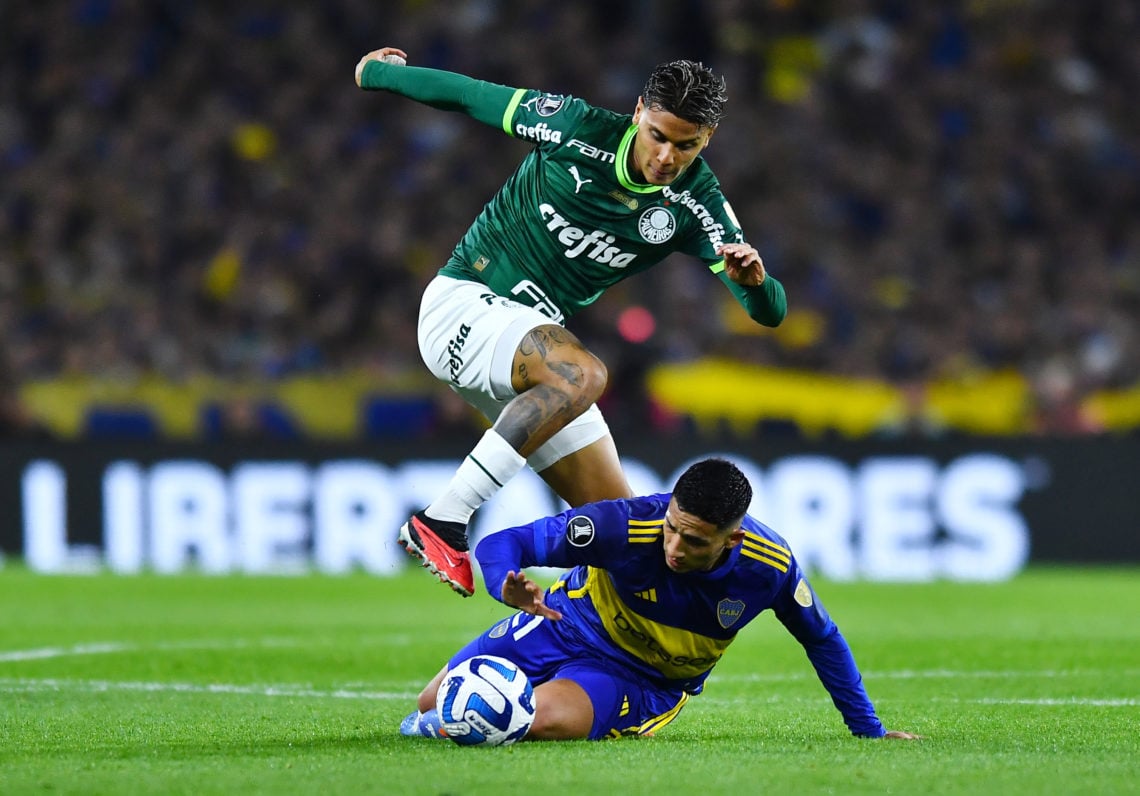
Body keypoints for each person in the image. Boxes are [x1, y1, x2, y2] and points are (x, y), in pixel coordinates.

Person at [355, 48, 787, 597]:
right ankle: (442, 520)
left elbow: (768, 313)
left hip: (523, 356)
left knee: (627, 538)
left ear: (708, 139)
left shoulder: (697, 204)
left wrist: (754, 286)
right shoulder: (573, 126)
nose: (666, 156)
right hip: (464, 305)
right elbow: (468, 95)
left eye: (686, 145)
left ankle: (566, 646)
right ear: (638, 113)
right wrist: (378, 74)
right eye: (658, 134)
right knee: (583, 375)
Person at [399, 458, 921, 742]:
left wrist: (869, 732)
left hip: (641, 677)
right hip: (565, 621)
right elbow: (501, 543)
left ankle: (447, 729)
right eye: (672, 528)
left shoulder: (770, 568)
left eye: (694, 541)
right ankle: (440, 722)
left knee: (535, 719)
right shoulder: (625, 524)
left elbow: (822, 639)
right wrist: (505, 581)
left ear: (730, 540)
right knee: (431, 700)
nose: (673, 547)